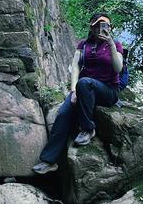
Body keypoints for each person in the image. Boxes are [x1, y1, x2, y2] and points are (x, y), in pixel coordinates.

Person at [32, 12, 124, 175]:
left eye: (104, 26)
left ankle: (88, 129)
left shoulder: (115, 44)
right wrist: (73, 90)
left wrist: (109, 43)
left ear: (110, 28)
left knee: (85, 82)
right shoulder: (84, 44)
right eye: (97, 25)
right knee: (63, 114)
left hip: (108, 90)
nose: (100, 29)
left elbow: (118, 68)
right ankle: (48, 160)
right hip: (84, 89)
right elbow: (75, 66)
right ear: (91, 27)